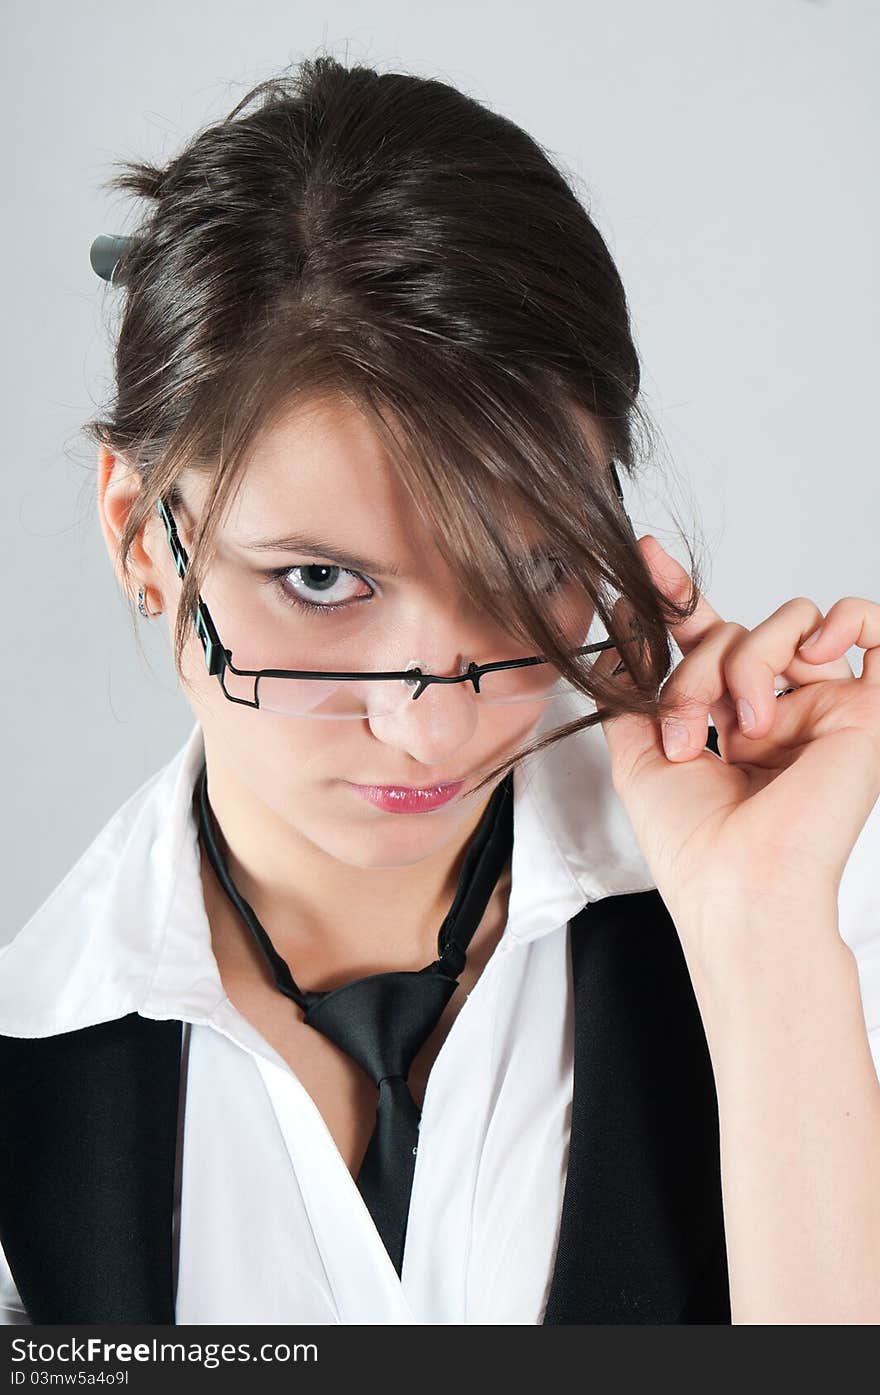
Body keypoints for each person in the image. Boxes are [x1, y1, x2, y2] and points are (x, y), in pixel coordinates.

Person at [2, 54, 879, 1327]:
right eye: (317, 580)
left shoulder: (820, 916)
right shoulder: (32, 1079)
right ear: (143, 533)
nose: (433, 725)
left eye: (529, 573)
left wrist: (764, 942)